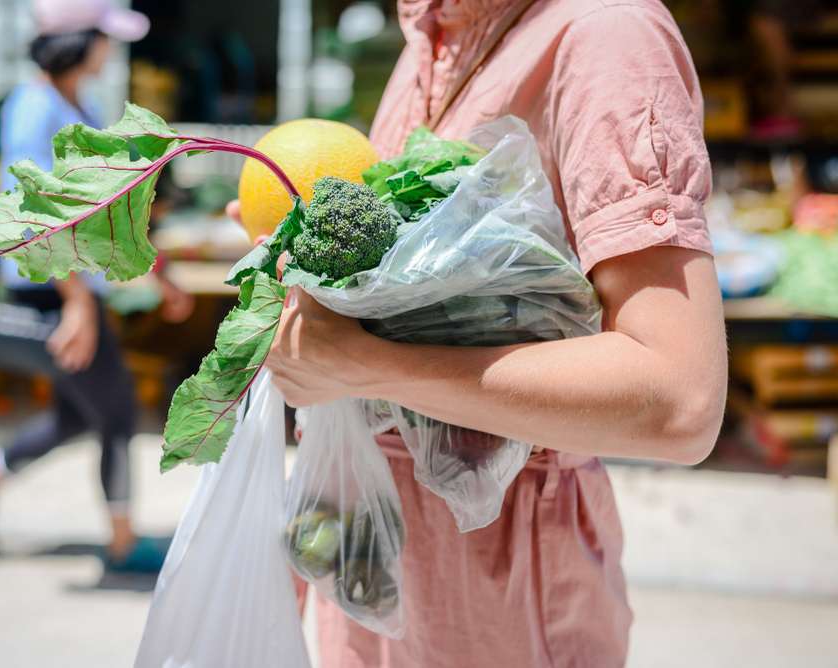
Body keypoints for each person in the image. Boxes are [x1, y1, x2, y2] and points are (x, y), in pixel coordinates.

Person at [249, 0, 728, 665]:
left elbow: (679, 401)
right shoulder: (427, 40)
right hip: (373, 578)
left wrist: (361, 362)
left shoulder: (606, 34)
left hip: (498, 605)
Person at [0, 0, 194, 573]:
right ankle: (124, 542)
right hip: (53, 290)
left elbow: (102, 212)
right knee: (115, 410)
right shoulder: (31, 109)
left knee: (74, 416)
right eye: (104, 38)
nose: (110, 50)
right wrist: (79, 305)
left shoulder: (74, 103)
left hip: (72, 289)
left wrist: (158, 275)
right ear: (78, 42)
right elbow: (36, 215)